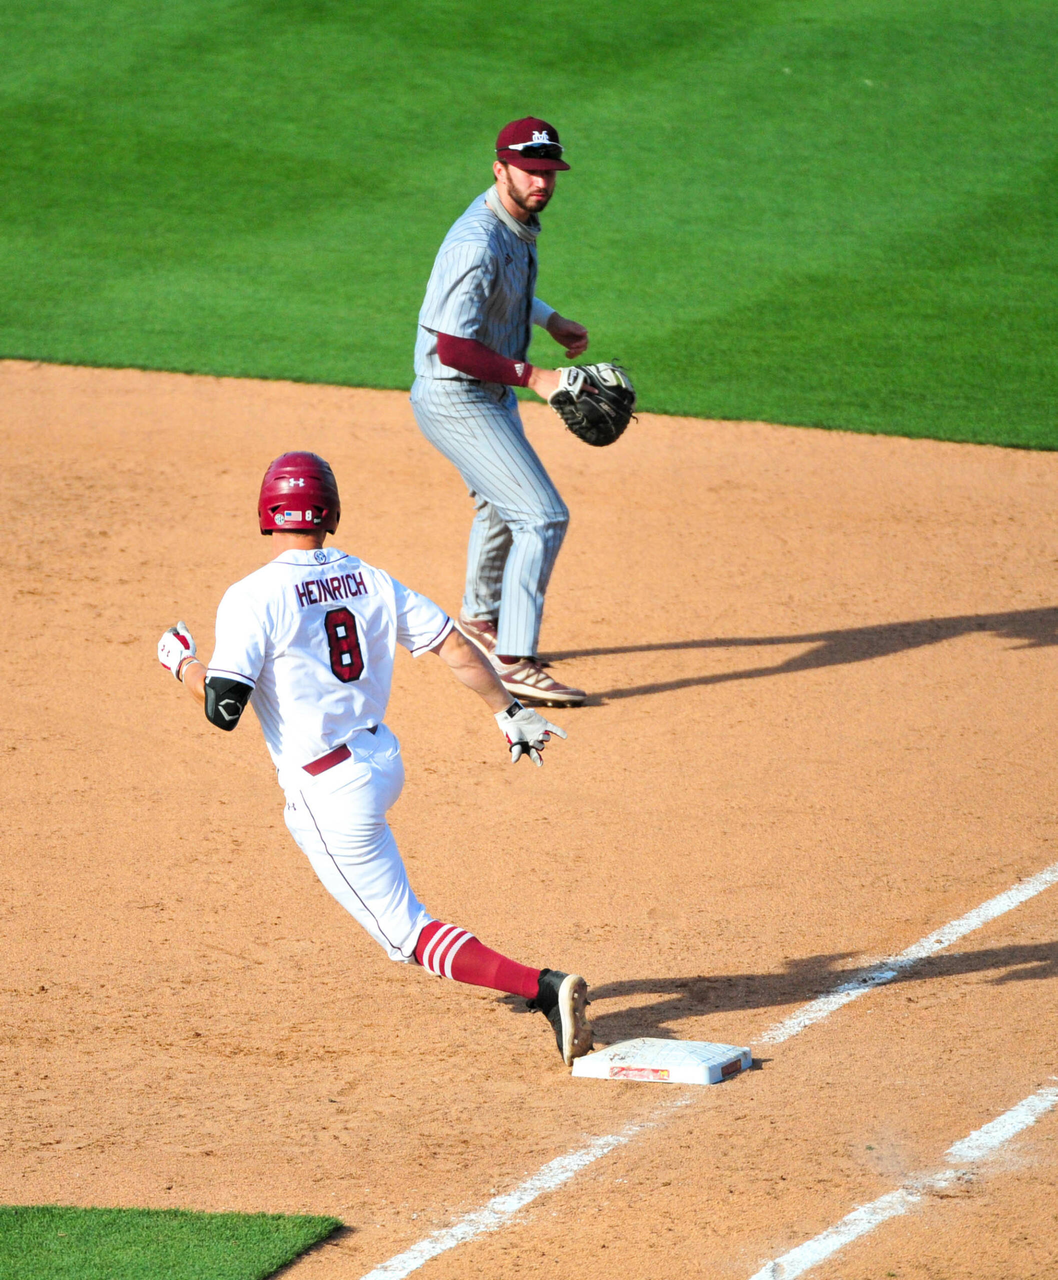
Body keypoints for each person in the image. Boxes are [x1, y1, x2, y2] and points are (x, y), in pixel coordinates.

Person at [156, 451, 593, 1066]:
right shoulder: (371, 579)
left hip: (331, 792)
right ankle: (525, 982)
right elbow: (453, 646)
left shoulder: (252, 595)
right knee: (392, 901)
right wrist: (509, 710)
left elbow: (223, 708)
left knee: (405, 935)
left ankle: (542, 987)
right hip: (382, 761)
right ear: (330, 513)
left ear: (268, 511)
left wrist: (182, 662)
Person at [411, 116, 589, 707]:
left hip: (487, 389)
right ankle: (514, 660)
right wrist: (537, 377)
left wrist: (550, 319)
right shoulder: (477, 240)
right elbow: (453, 348)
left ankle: (481, 620)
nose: (541, 182)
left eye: (549, 172)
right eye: (530, 171)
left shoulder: (516, 221)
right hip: (456, 393)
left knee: (500, 502)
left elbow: (503, 288)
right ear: (500, 169)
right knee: (542, 516)